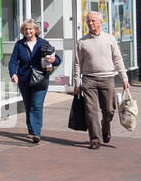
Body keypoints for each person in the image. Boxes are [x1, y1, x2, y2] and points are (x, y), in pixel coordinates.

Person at [73, 11, 130, 149]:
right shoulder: (82, 42)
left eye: (93, 21)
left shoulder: (109, 39)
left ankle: (106, 128)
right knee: (90, 110)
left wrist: (124, 79)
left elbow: (118, 59)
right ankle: (95, 139)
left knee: (109, 110)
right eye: (89, 21)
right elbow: (77, 63)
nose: (91, 24)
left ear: (100, 22)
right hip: (89, 80)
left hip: (107, 78)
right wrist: (77, 83)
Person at [8, 19, 61, 143]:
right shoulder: (19, 44)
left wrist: (52, 60)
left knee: (36, 105)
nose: (28, 31)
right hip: (24, 79)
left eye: (30, 29)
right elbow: (13, 61)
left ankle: (36, 133)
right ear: (23, 31)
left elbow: (57, 60)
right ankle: (31, 130)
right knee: (28, 105)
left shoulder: (43, 43)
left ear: (35, 30)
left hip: (40, 79)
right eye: (26, 29)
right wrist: (13, 74)